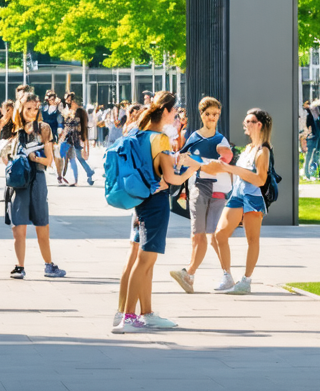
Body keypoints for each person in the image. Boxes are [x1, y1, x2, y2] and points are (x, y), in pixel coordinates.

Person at [113, 91, 195, 333]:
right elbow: (170, 178)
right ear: (167, 111)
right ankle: (129, 317)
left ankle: (146, 313)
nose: (177, 116)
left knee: (145, 260)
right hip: (156, 203)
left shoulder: (139, 133)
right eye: (176, 111)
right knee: (145, 260)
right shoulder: (160, 138)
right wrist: (193, 168)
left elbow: (153, 169)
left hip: (141, 201)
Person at [200, 108, 273, 295]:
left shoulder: (263, 150)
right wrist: (222, 168)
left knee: (252, 239)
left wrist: (231, 169)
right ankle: (227, 276)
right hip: (238, 194)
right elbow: (238, 173)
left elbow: (260, 180)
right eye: (246, 121)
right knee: (220, 234)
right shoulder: (248, 148)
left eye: (249, 121)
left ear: (259, 125)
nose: (245, 124)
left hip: (253, 197)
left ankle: (246, 281)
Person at [169, 97, 234, 294]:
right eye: (208, 114)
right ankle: (191, 274)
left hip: (218, 190)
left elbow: (224, 160)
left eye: (215, 115)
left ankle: (219, 275)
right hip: (198, 186)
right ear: (201, 115)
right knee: (197, 235)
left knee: (214, 236)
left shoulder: (220, 140)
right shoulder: (194, 137)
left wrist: (198, 162)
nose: (212, 118)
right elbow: (182, 158)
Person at [6, 94, 67, 279]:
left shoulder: (43, 128)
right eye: (28, 109)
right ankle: (19, 266)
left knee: (42, 224)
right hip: (17, 180)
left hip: (37, 178)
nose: (32, 112)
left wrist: (34, 158)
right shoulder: (15, 129)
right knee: (18, 227)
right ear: (21, 109)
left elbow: (49, 160)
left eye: (35, 108)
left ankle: (49, 265)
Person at [59, 92, 94, 185]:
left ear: (74, 101)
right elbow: (66, 126)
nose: (68, 102)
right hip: (68, 138)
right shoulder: (67, 111)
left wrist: (86, 146)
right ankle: (66, 177)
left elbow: (84, 128)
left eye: (69, 100)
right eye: (66, 100)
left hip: (76, 139)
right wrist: (62, 136)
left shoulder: (81, 112)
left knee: (78, 157)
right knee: (65, 156)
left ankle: (83, 175)